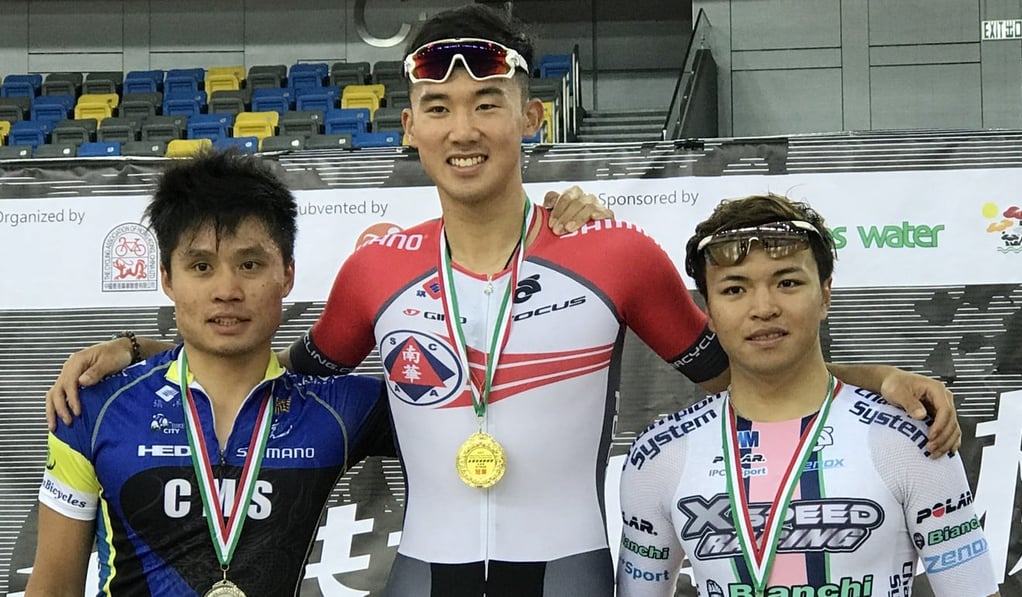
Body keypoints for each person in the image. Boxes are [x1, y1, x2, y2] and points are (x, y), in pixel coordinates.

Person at [46, 5, 961, 596]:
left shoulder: (614, 252)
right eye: (438, 108)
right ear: (408, 128)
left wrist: (872, 373)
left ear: (531, 116)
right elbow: (269, 384)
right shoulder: (378, 270)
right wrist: (135, 349)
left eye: (489, 102)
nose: (463, 128)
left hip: (570, 568)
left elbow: (750, 374)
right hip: (422, 571)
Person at [26, 150, 394, 596]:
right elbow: (52, 589)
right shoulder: (94, 407)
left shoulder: (340, 409)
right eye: (201, 267)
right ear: (166, 278)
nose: (227, 291)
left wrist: (135, 346)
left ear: (288, 275)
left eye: (250, 265)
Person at [617, 193, 998, 597]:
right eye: (734, 289)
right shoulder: (658, 454)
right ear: (708, 311)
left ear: (826, 295)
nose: (763, 307)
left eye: (787, 282)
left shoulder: (910, 437)